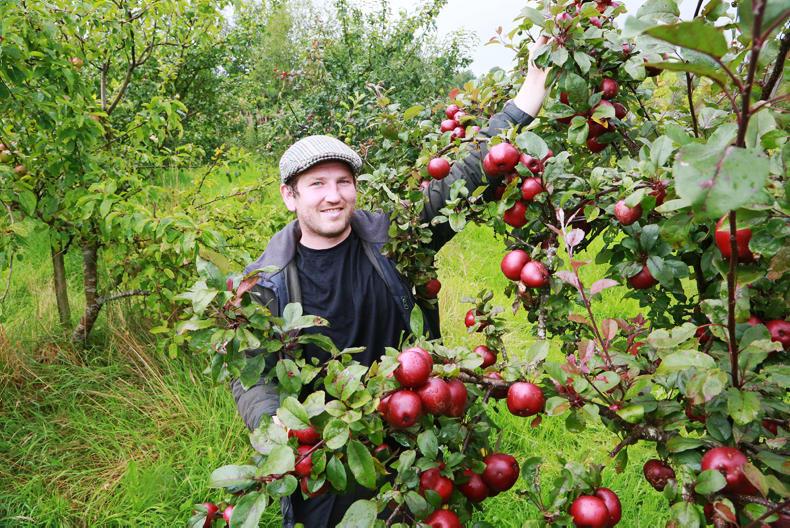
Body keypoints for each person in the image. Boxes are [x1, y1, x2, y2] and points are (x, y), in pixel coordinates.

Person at [232, 37, 551, 528]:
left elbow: (467, 175)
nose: (333, 196)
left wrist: (531, 89)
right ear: (289, 196)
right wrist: (269, 419)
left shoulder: (393, 238)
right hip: (326, 452)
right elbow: (249, 374)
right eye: (317, 185)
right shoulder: (265, 284)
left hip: (410, 435)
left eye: (343, 182)